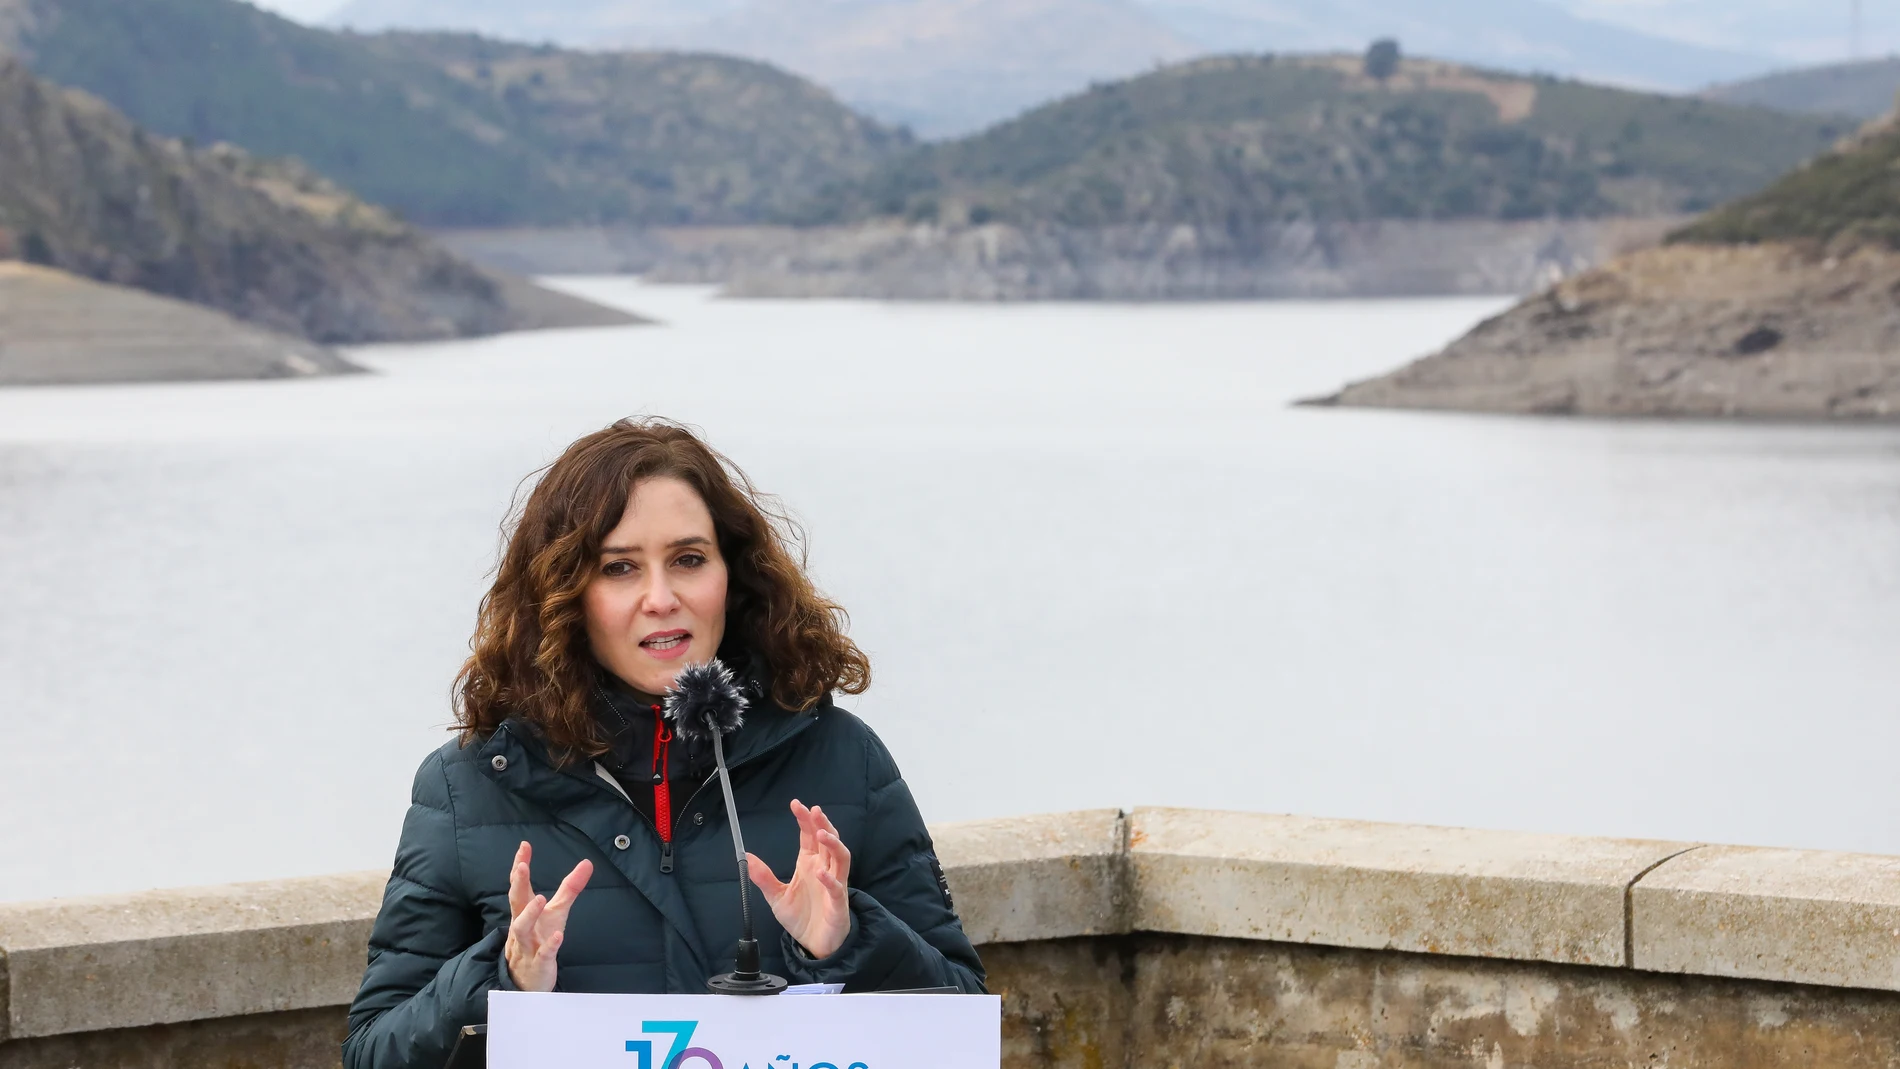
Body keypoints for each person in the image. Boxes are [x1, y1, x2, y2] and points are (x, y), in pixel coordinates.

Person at [342, 418, 985, 1069]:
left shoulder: (844, 759)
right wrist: (503, 980)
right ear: (565, 594)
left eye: (688, 559)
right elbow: (373, 1053)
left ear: (732, 574)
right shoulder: (466, 786)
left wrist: (850, 940)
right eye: (619, 567)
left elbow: (962, 1026)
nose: (662, 597)